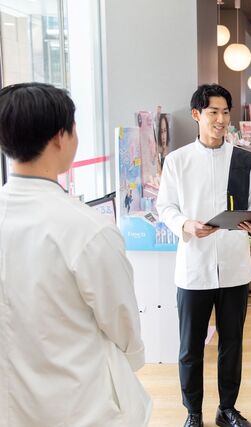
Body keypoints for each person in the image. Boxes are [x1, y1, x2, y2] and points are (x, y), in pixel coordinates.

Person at [0, 83, 150, 426]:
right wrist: (133, 358)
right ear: (59, 137)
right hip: (80, 402)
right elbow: (122, 320)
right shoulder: (88, 229)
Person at [157, 84, 251, 427]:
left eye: (225, 113)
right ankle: (193, 412)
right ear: (197, 114)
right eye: (213, 112)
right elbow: (165, 207)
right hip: (194, 268)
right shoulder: (177, 161)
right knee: (190, 348)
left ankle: (227, 409)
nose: (221, 120)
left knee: (232, 344)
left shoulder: (245, 160)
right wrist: (186, 224)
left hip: (234, 268)